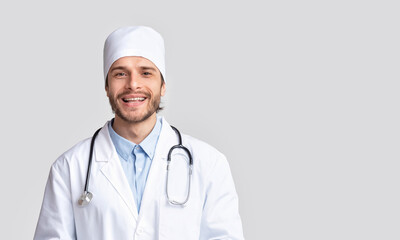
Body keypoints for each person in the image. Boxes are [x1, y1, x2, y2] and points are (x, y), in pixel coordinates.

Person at [34, 26, 244, 240]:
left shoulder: (209, 164)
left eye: (146, 73)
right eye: (120, 74)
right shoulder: (69, 168)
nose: (133, 84)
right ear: (107, 86)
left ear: (162, 85)